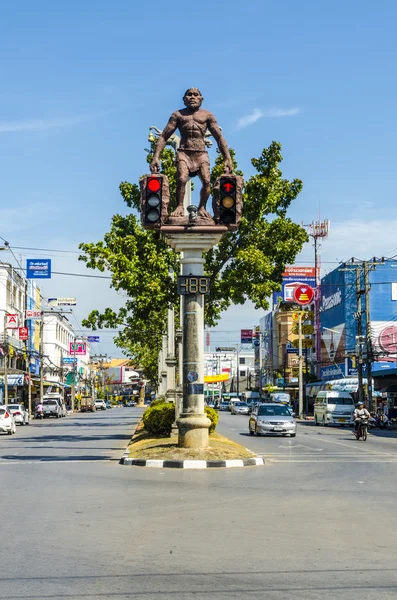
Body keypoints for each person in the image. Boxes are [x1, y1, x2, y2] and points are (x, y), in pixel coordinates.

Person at [150, 88, 233, 219]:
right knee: (182, 179)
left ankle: (202, 207)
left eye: (196, 95)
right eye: (189, 95)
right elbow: (164, 136)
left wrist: (227, 158)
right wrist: (156, 157)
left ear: (201, 99)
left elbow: (219, 138)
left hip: (200, 153)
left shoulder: (207, 116)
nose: (192, 97)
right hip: (184, 152)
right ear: (184, 99)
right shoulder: (178, 115)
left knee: (206, 181)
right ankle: (179, 206)